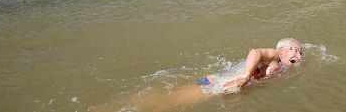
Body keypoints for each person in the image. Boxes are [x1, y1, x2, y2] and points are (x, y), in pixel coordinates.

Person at [97, 39, 302, 111]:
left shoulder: (282, 66)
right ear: (282, 49)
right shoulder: (274, 55)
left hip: (216, 75)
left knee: (173, 95)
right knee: (171, 102)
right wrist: (246, 75)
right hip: (222, 79)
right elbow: (255, 52)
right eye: (294, 49)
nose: (298, 54)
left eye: (300, 52)